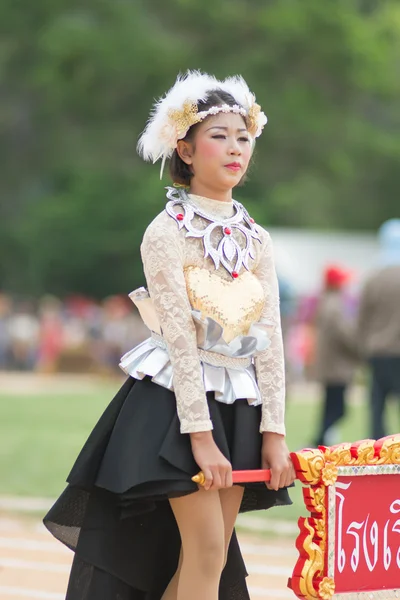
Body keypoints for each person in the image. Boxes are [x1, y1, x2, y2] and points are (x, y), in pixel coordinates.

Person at [44, 70, 296, 600]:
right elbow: (180, 342)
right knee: (206, 554)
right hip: (175, 412)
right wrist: (200, 440)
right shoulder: (165, 232)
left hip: (239, 405)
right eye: (219, 136)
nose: (235, 149)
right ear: (184, 148)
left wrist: (274, 431)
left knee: (207, 560)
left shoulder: (259, 240)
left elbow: (269, 336)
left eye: (243, 137)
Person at [357, 219, 400, 440]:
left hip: (377, 352)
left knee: (377, 407)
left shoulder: (373, 278)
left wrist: (363, 348)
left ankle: (377, 452)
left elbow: (362, 320)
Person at [313, 265, 359, 447]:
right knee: (338, 409)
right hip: (337, 367)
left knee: (330, 408)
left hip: (330, 366)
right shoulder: (335, 306)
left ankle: (321, 439)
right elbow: (346, 335)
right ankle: (320, 440)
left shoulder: (326, 302)